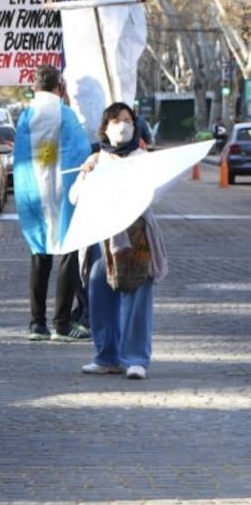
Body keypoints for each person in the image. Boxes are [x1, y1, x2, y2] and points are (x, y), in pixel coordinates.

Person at [70, 102, 168, 379]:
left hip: (136, 236)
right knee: (100, 295)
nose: (122, 126)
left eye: (127, 120)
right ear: (105, 127)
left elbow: (154, 196)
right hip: (101, 237)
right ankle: (106, 356)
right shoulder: (97, 159)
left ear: (135, 124)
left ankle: (136, 359)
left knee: (138, 294)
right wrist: (88, 175)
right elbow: (74, 197)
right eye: (115, 121)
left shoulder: (142, 157)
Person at [13, 64, 93, 342]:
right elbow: (81, 152)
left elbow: (26, 155)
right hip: (64, 191)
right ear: (60, 87)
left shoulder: (26, 116)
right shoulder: (66, 114)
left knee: (40, 254)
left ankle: (37, 323)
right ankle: (61, 323)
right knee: (68, 253)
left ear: (34, 87)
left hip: (34, 192)